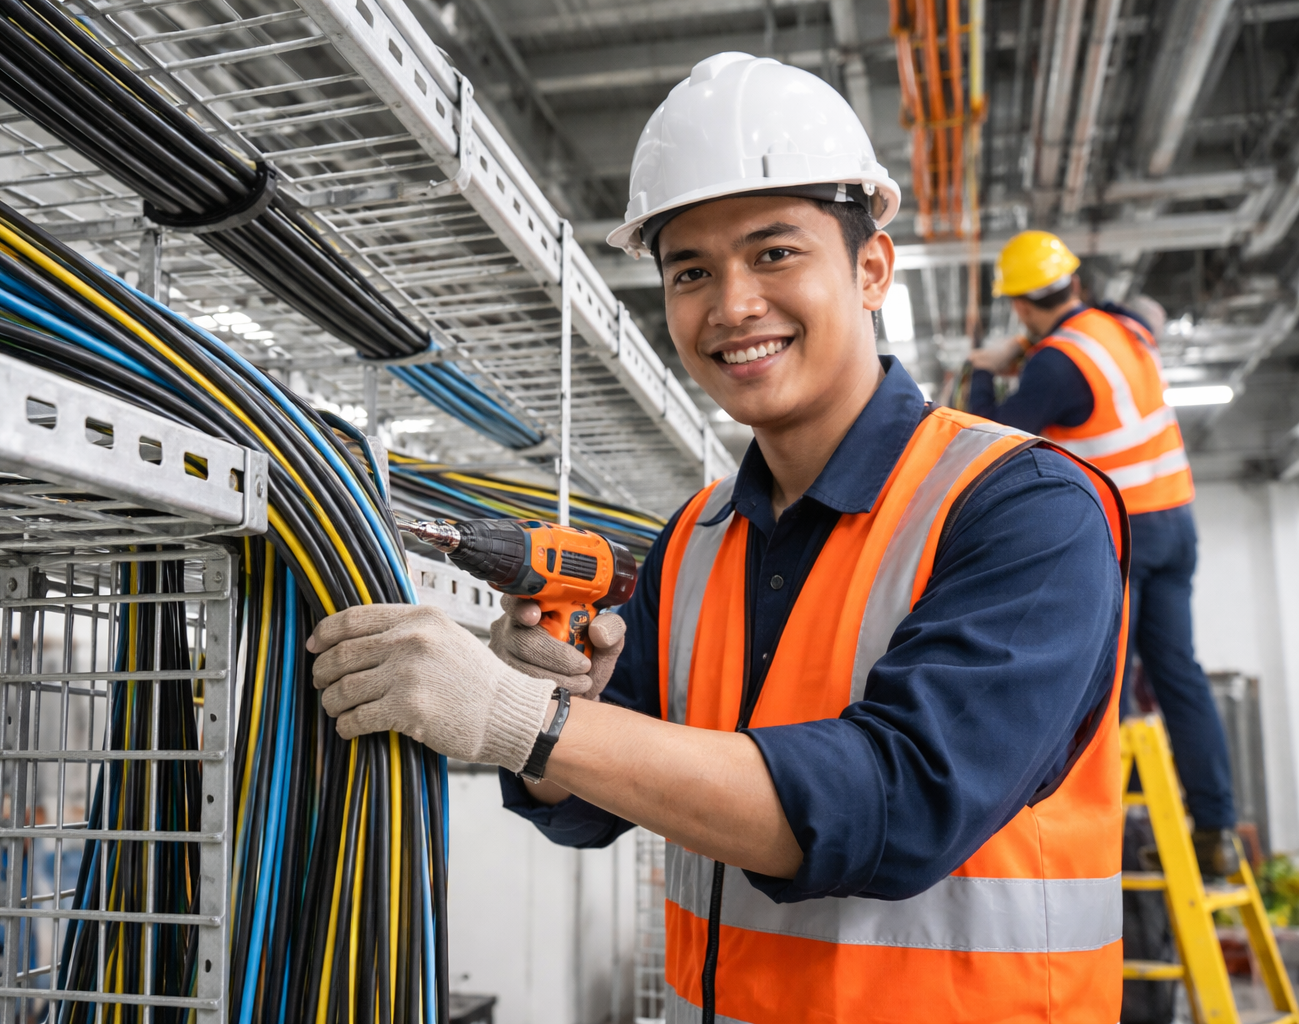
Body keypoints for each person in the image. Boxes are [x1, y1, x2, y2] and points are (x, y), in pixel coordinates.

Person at [308, 54, 1129, 1023]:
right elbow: (593, 807)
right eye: (690, 270)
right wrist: (557, 705)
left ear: (871, 269)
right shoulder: (695, 538)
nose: (731, 304)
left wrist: (521, 721)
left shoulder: (1023, 508)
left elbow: (897, 803)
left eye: (774, 253)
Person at [968, 231, 1238, 876]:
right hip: (1177, 524)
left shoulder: (1056, 364)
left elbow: (992, 441)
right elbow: (1108, 346)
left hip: (1131, 535)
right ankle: (1216, 831)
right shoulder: (1121, 328)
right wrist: (1031, 351)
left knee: (1103, 685)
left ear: (1021, 307)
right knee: (1179, 677)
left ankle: (1091, 843)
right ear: (1076, 285)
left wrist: (983, 368)